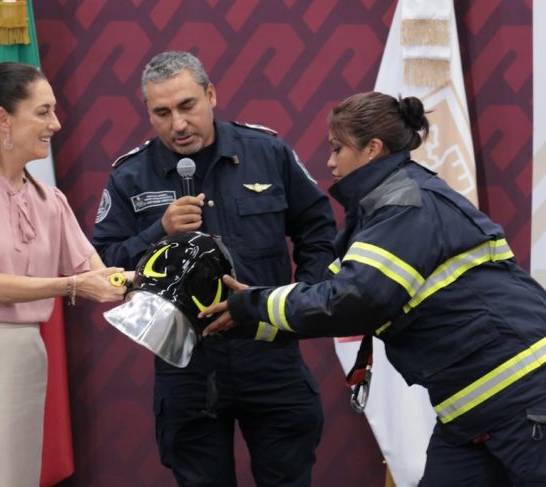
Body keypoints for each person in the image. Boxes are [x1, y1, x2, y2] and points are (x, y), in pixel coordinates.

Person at [201, 91, 546, 487]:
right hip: (468, 411)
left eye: (337, 148)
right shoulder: (381, 210)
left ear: (372, 149)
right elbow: (329, 293)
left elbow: (352, 301)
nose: (329, 161)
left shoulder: (404, 205)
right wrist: (245, 316)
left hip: (524, 396)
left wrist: (254, 304)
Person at [91, 51, 336, 486]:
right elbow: (103, 267)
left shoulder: (267, 151)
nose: (178, 124)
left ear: (211, 95)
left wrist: (301, 301)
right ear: (148, 112)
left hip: (268, 349)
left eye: (187, 106)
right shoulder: (129, 176)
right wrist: (157, 232)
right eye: (162, 113)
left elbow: (318, 229)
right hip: (186, 361)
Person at [0, 62, 127, 487]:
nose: (56, 123)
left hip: (26, 361)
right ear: (2, 118)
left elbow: (100, 276)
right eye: (43, 112)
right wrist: (71, 286)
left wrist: (165, 273)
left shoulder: (52, 200)